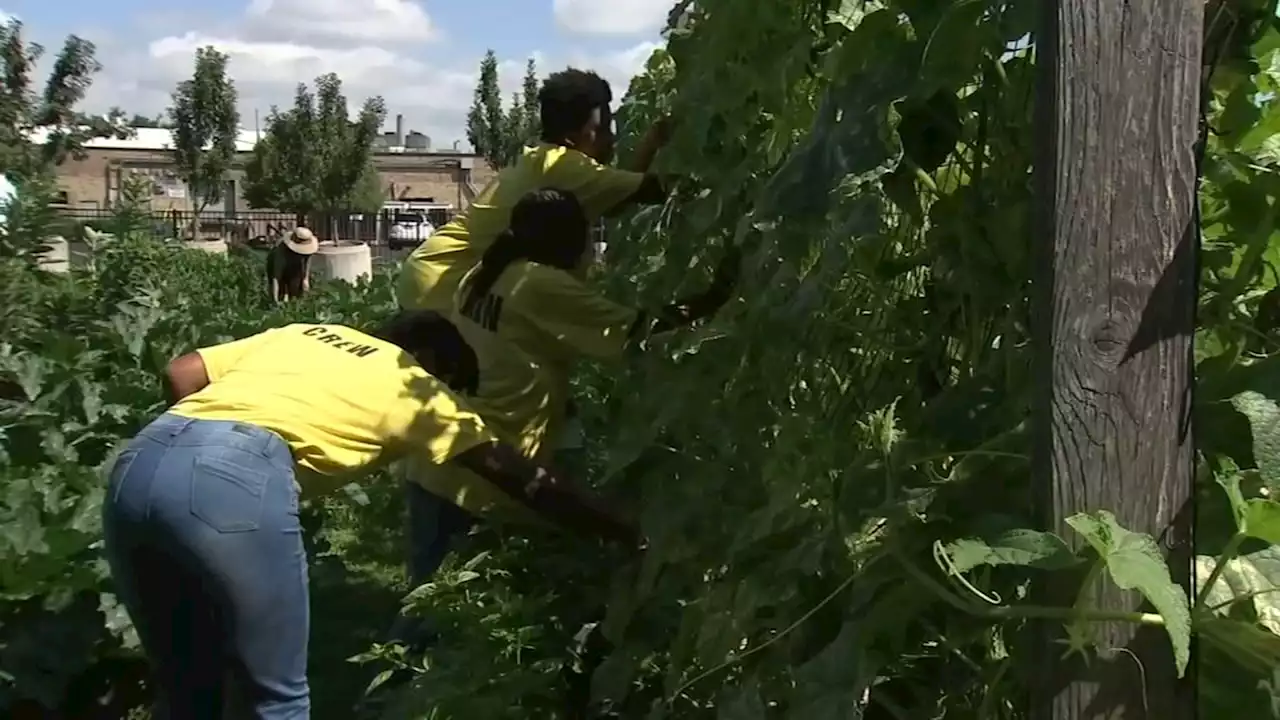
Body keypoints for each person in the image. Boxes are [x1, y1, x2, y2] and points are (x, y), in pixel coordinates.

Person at [100, 310, 637, 719]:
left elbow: (181, 371)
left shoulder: (306, 333)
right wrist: (619, 530)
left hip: (139, 463)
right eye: (448, 377)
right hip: (235, 478)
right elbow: (518, 477)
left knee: (186, 685)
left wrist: (191, 455)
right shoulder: (414, 385)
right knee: (277, 699)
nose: (445, 391)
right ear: (433, 360)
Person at [390, 67, 677, 596]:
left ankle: (489, 509)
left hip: (443, 270)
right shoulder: (565, 170)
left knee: (499, 389)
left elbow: (615, 193)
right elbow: (651, 191)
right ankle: (496, 512)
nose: (610, 133)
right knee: (490, 402)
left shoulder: (552, 165)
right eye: (606, 122)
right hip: (445, 280)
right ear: (588, 125)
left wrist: (652, 145)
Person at [266, 226, 318, 302]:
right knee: (280, 291)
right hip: (277, 264)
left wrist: (305, 279)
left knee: (296, 289)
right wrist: (275, 300)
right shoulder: (281, 253)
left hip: (294, 264)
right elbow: (276, 277)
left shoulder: (307, 250)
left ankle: (294, 303)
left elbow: (307, 261)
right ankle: (279, 300)